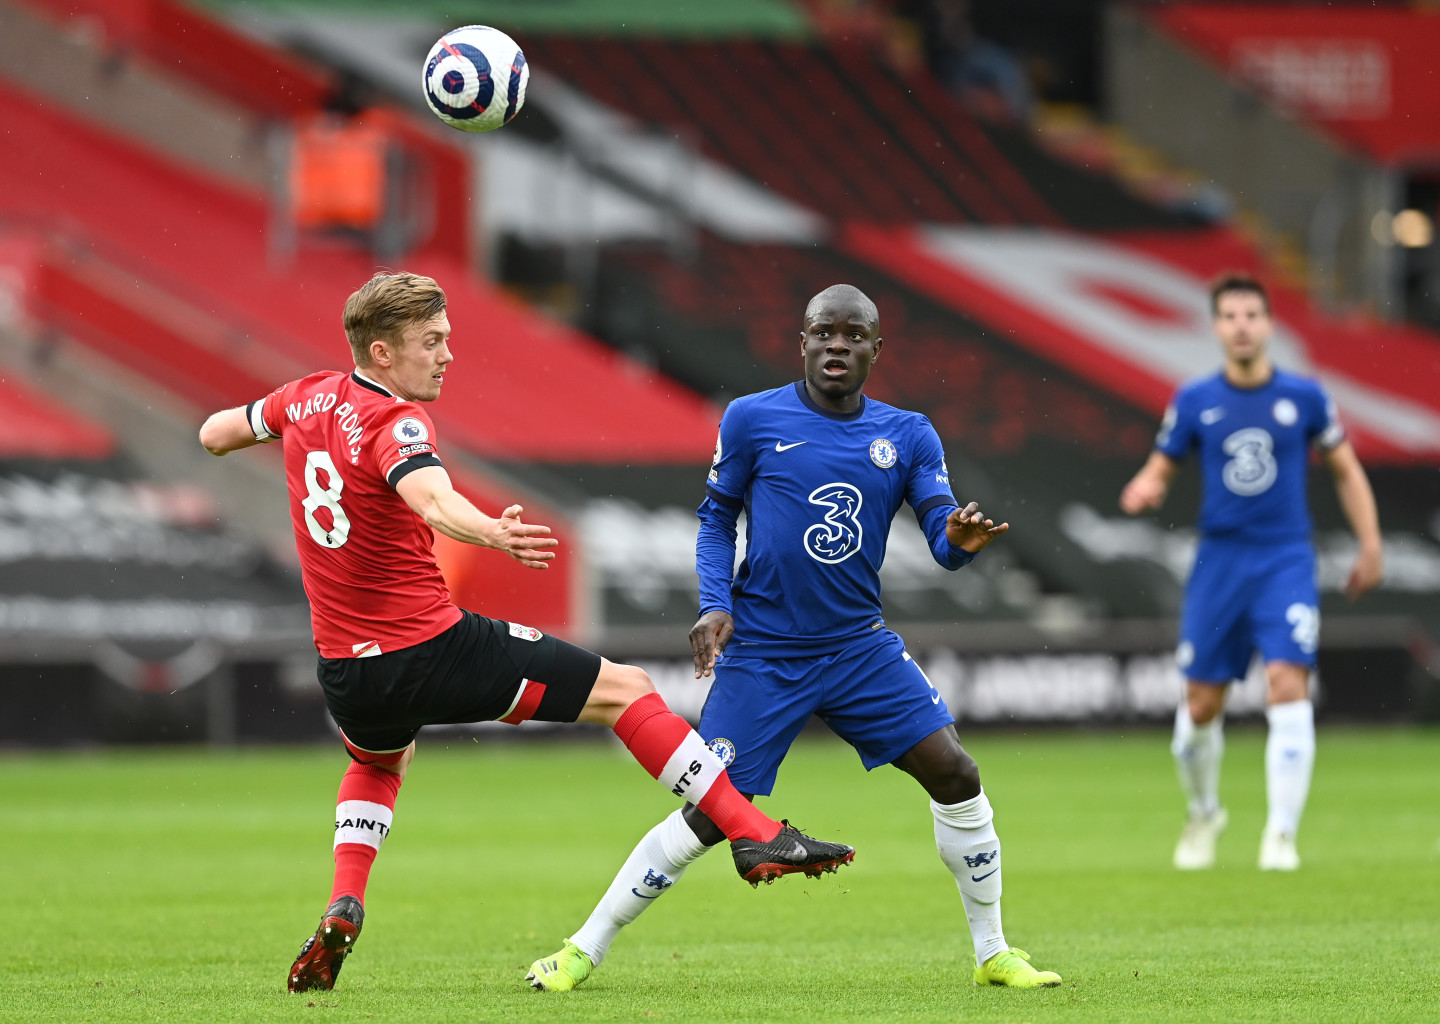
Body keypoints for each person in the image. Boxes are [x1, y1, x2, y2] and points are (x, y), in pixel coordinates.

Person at [196, 272, 854, 994]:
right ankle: (752, 833)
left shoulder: (306, 394)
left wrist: (272, 430)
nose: (448, 354)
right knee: (625, 690)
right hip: (429, 649)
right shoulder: (397, 423)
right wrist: (492, 533)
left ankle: (344, 901)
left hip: (345, 670)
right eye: (432, 342)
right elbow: (433, 498)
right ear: (382, 353)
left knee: (380, 764)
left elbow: (214, 432)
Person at [526, 283, 1062, 993]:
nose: (837, 345)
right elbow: (716, 519)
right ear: (802, 342)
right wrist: (715, 604)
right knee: (711, 816)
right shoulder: (752, 419)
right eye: (823, 333)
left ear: (875, 348)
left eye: (852, 335)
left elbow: (942, 533)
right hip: (764, 656)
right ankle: (582, 949)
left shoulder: (907, 434)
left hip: (858, 650)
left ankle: (993, 951)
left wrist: (958, 540)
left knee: (957, 772)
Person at [1120, 273, 1382, 871]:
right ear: (1216, 327)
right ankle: (1206, 812)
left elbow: (1346, 470)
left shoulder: (1307, 398)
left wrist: (1370, 543)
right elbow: (1162, 466)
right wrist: (1147, 486)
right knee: (1200, 707)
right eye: (1230, 316)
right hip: (1220, 560)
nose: (1241, 326)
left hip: (1286, 556)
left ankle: (1281, 836)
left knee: (1288, 682)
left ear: (1268, 325)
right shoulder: (1194, 399)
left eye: (1252, 315)